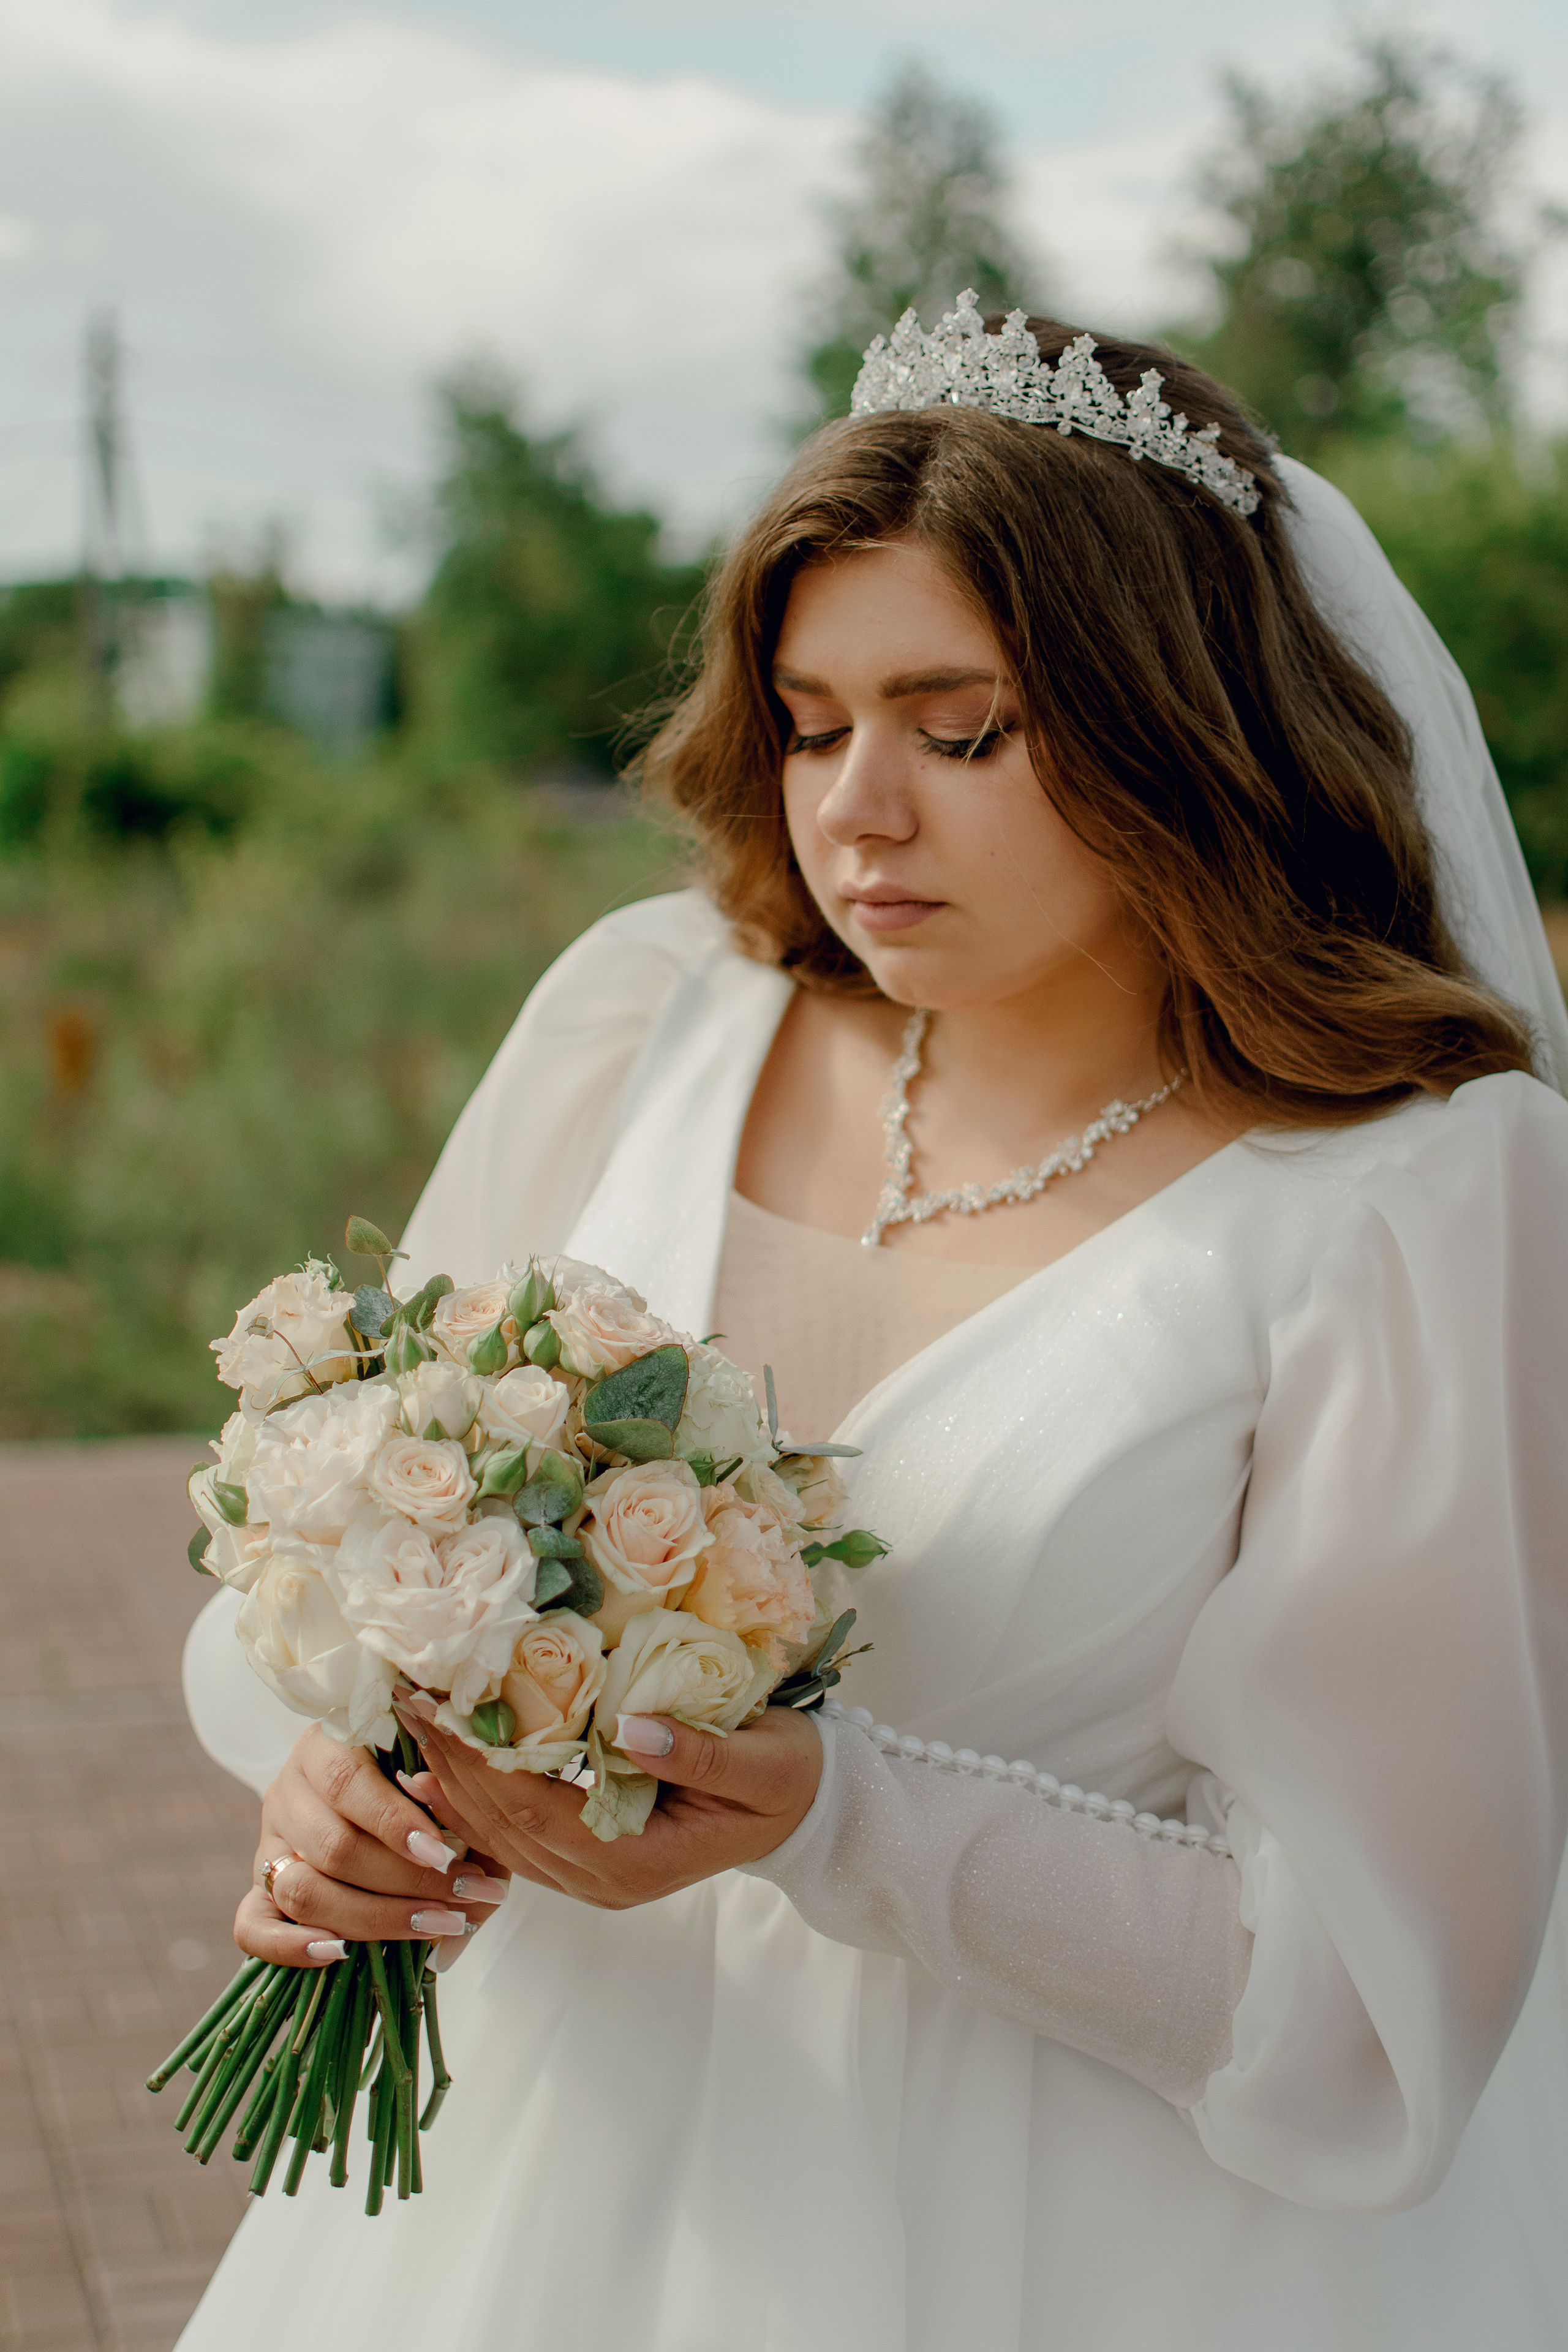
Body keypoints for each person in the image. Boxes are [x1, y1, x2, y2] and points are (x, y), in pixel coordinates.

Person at [178, 300, 1568, 2352]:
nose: (856, 811)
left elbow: (1363, 2010)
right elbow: (337, 1557)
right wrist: (352, 1787)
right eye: (813, 722)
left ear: (1179, 718)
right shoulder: (653, 1014)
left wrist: (846, 1822)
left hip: (1057, 2239)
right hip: (542, 2173)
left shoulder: (1410, 1201)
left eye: (960, 726)